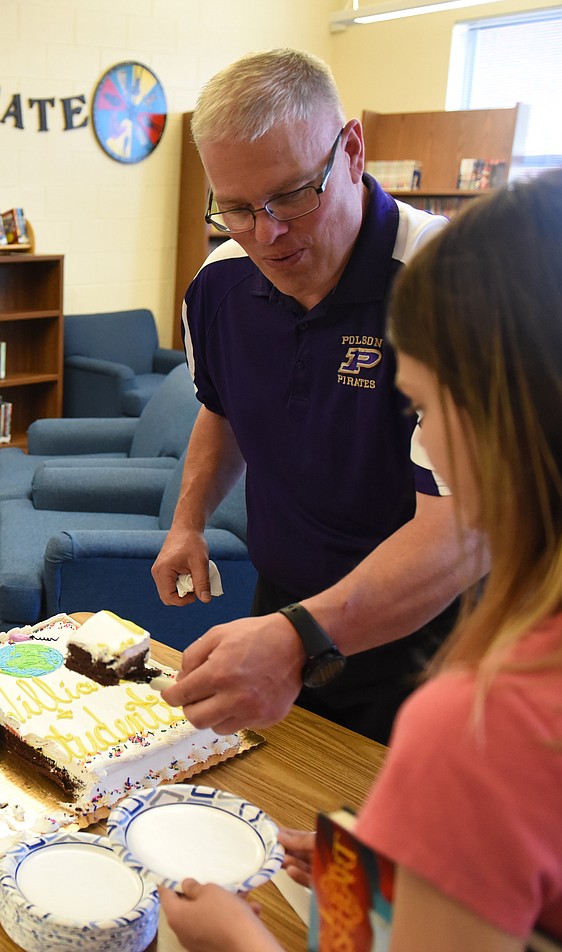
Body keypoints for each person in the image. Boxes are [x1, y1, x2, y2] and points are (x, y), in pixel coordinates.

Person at [159, 169, 562, 952]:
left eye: (425, 406)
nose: (266, 229)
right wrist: (413, 863)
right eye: (239, 207)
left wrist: (242, 940)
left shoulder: (477, 726)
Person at [150, 48, 485, 742]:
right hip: (286, 608)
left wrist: (303, 637)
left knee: (396, 840)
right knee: (288, 832)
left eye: (294, 196)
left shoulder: (450, 288)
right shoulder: (218, 286)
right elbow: (224, 408)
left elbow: (464, 528)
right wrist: (189, 521)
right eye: (237, 209)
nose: (266, 235)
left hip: (431, 639)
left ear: (353, 149)